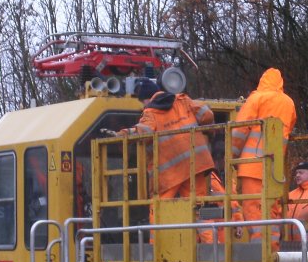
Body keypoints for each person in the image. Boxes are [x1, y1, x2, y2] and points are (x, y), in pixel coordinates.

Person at [119, 80, 216, 239]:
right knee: (198, 209)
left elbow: (143, 132)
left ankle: (156, 249)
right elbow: (207, 114)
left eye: (142, 101)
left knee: (158, 209)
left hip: (171, 171)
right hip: (197, 165)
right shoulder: (183, 100)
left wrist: (123, 134)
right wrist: (208, 129)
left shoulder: (151, 112)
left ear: (146, 98)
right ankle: (212, 247)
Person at [230, 68, 297, 245]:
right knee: (271, 211)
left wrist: (231, 157)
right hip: (275, 168)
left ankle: (261, 256)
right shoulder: (289, 103)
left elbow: (240, 129)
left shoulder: (257, 98)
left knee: (255, 211)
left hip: (252, 167)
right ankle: (272, 250)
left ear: (262, 81)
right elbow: (290, 127)